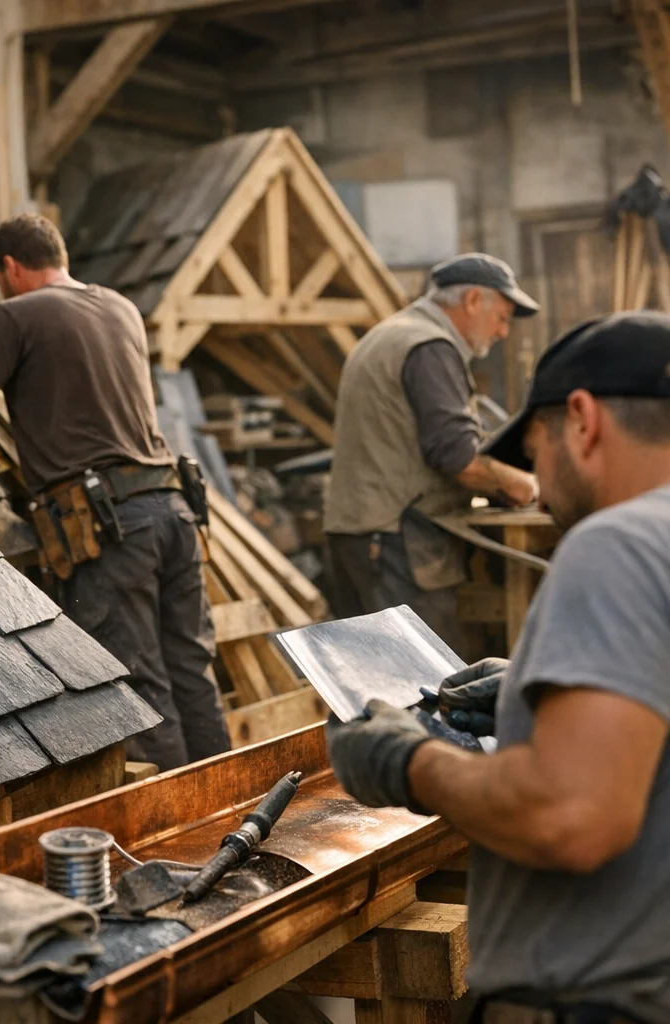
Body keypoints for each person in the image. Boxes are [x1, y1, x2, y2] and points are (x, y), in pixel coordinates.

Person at [327, 311, 670, 1024]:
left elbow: (570, 818)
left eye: (535, 450)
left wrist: (408, 761)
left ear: (582, 419)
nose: (537, 486)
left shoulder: (618, 544)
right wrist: (534, 690)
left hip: (599, 1000)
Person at [0, 213, 229, 772]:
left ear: (11, 268)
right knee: (193, 671)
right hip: (172, 511)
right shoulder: (119, 306)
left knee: (138, 687)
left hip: (111, 529)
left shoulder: (18, 314)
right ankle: (238, 811)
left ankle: (177, 838)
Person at [323, 253, 541, 650]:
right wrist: (525, 484)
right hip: (396, 543)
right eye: (503, 317)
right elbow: (459, 459)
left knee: (368, 682)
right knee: (416, 683)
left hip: (360, 534)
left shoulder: (391, 333)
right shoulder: (431, 346)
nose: (503, 332)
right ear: (474, 300)